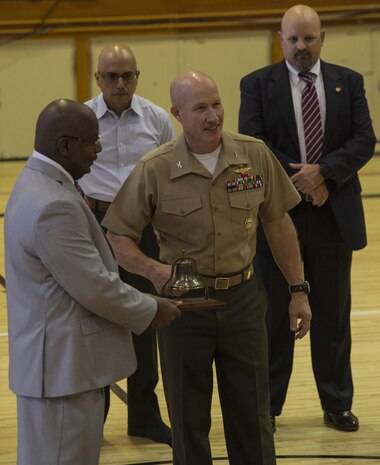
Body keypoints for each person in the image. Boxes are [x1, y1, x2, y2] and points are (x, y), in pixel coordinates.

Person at [102, 71, 312, 465]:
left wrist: (298, 291)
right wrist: (155, 271)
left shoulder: (254, 155)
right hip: (184, 310)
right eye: (200, 108)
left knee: (253, 416)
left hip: (243, 301)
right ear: (177, 113)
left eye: (216, 104)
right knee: (188, 418)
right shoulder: (156, 168)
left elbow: (278, 223)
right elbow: (117, 237)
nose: (213, 116)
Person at [4, 99, 181, 465]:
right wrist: (150, 308)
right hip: (64, 374)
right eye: (92, 141)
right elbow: (95, 287)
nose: (99, 149)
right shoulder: (54, 204)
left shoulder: (36, 182)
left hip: (54, 370)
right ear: (65, 146)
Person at [239, 4, 376, 433]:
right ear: (281, 39)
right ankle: (269, 407)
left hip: (333, 216)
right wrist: (300, 181)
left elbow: (363, 139)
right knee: (274, 316)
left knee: (333, 315)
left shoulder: (348, 83)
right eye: (293, 39)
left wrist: (325, 174)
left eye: (309, 38)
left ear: (323, 38)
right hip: (279, 216)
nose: (301, 46)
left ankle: (337, 403)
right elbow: (252, 142)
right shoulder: (257, 85)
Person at [79, 43, 176, 444]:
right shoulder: (82, 118)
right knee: (97, 320)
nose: (120, 83)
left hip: (143, 228)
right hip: (95, 224)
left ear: (138, 75)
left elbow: (173, 172)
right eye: (112, 76)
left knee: (144, 318)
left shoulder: (157, 119)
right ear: (98, 78)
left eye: (128, 76)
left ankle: (144, 417)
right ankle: (93, 419)